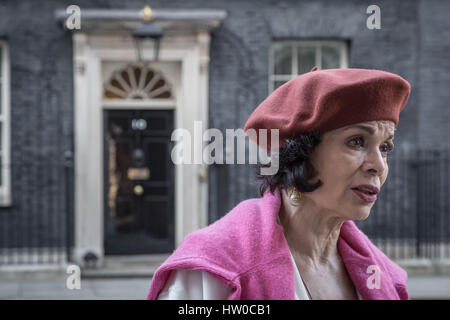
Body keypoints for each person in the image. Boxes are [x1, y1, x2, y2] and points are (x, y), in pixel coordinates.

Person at [147, 67, 411, 300]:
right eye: (356, 141)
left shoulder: (384, 276)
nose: (378, 165)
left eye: (386, 147)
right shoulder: (214, 269)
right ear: (300, 152)